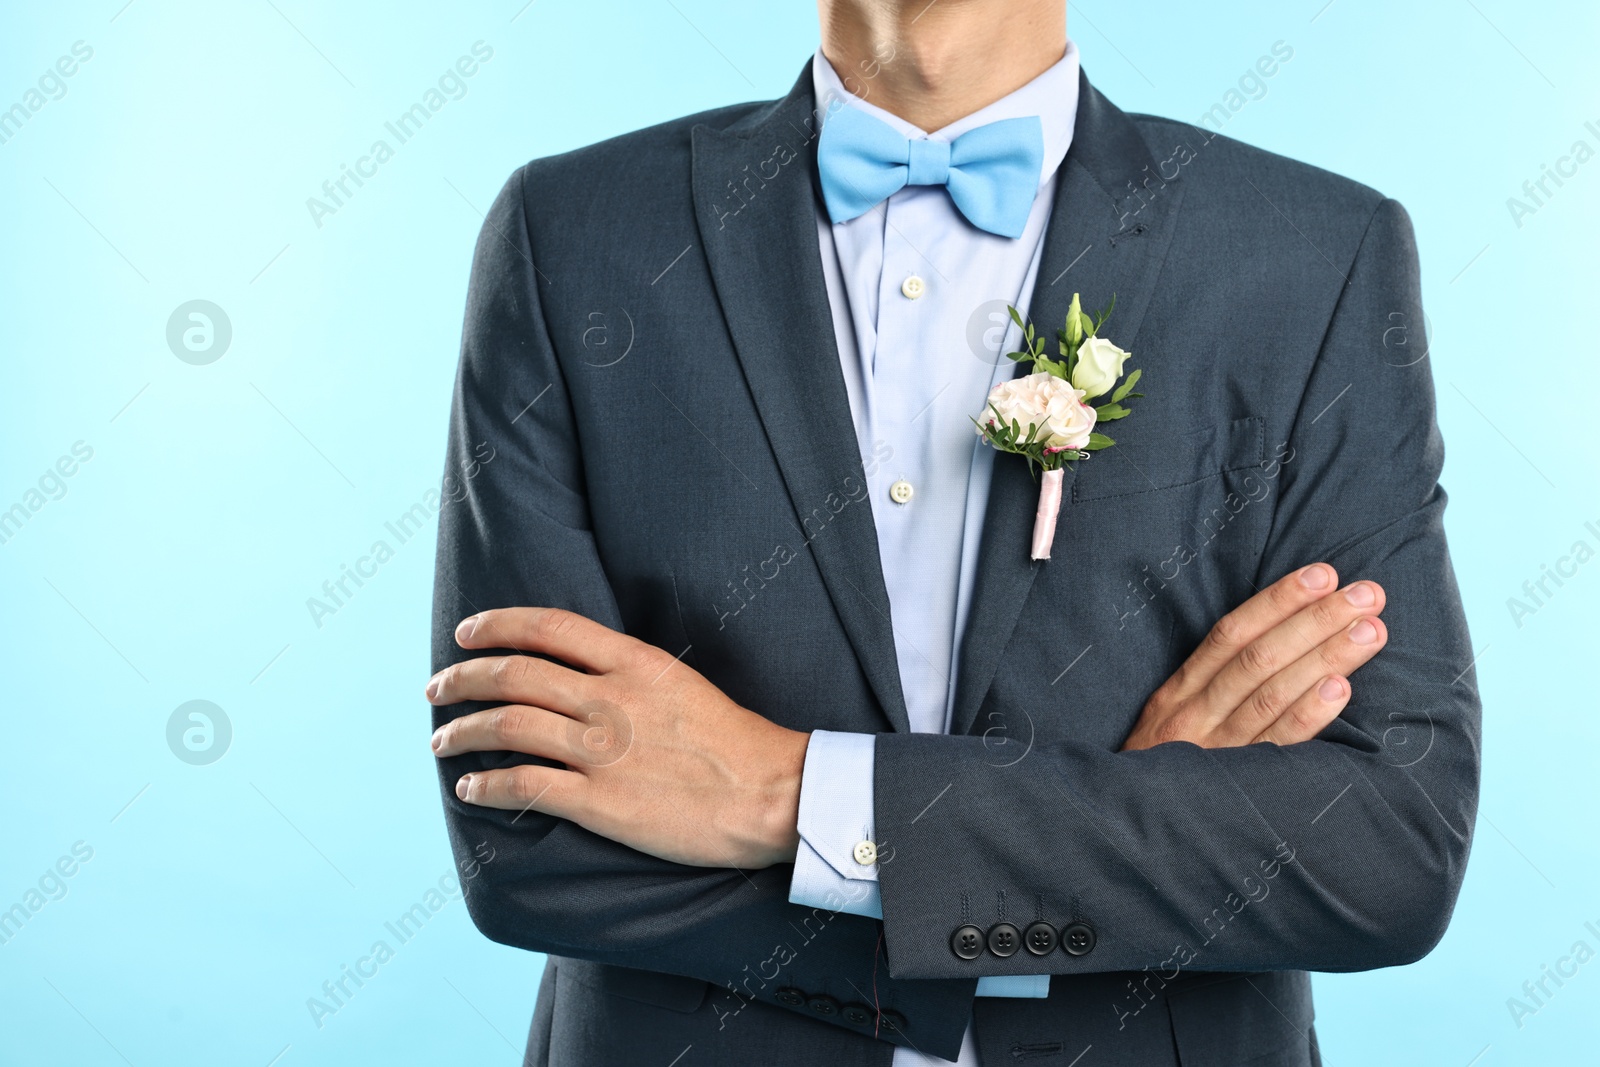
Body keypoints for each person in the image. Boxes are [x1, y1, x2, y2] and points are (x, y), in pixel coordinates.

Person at [425, 2, 1480, 1063]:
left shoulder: (1314, 256)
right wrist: (1116, 847)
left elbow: (1385, 844)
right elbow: (524, 840)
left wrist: (785, 793)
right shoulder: (572, 232)